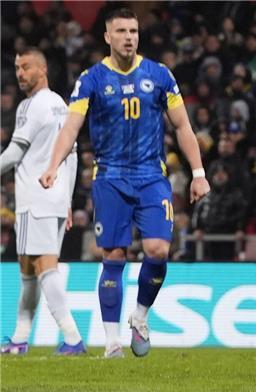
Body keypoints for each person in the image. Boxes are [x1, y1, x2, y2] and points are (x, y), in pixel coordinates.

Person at [38, 9, 210, 358]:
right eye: (121, 31)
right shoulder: (91, 79)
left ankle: (141, 316)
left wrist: (198, 173)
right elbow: (71, 127)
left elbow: (182, 127)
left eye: (133, 30)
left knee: (158, 250)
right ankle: (112, 340)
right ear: (107, 36)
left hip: (151, 177)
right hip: (111, 177)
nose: (129, 37)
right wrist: (53, 165)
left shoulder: (159, 75)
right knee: (113, 255)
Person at [0, 48, 85, 355]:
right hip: (54, 198)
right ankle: (21, 339)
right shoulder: (60, 106)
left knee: (44, 267)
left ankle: (73, 338)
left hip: (34, 198)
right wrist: (67, 198)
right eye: (17, 67)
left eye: (26, 67)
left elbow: (13, 153)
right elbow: (72, 155)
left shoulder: (31, 106)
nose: (20, 73)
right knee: (28, 270)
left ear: (42, 69)